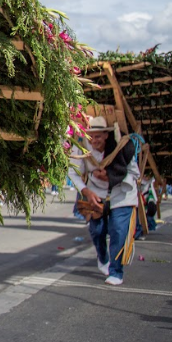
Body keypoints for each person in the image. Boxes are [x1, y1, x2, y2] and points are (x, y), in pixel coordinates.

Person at [68, 116, 140, 286]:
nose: (94, 140)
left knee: (118, 231)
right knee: (97, 231)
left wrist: (111, 176)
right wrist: (86, 191)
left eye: (98, 136)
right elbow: (73, 173)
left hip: (121, 194)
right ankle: (102, 258)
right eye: (91, 136)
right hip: (96, 194)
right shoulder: (81, 146)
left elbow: (134, 173)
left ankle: (116, 272)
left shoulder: (123, 146)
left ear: (106, 135)